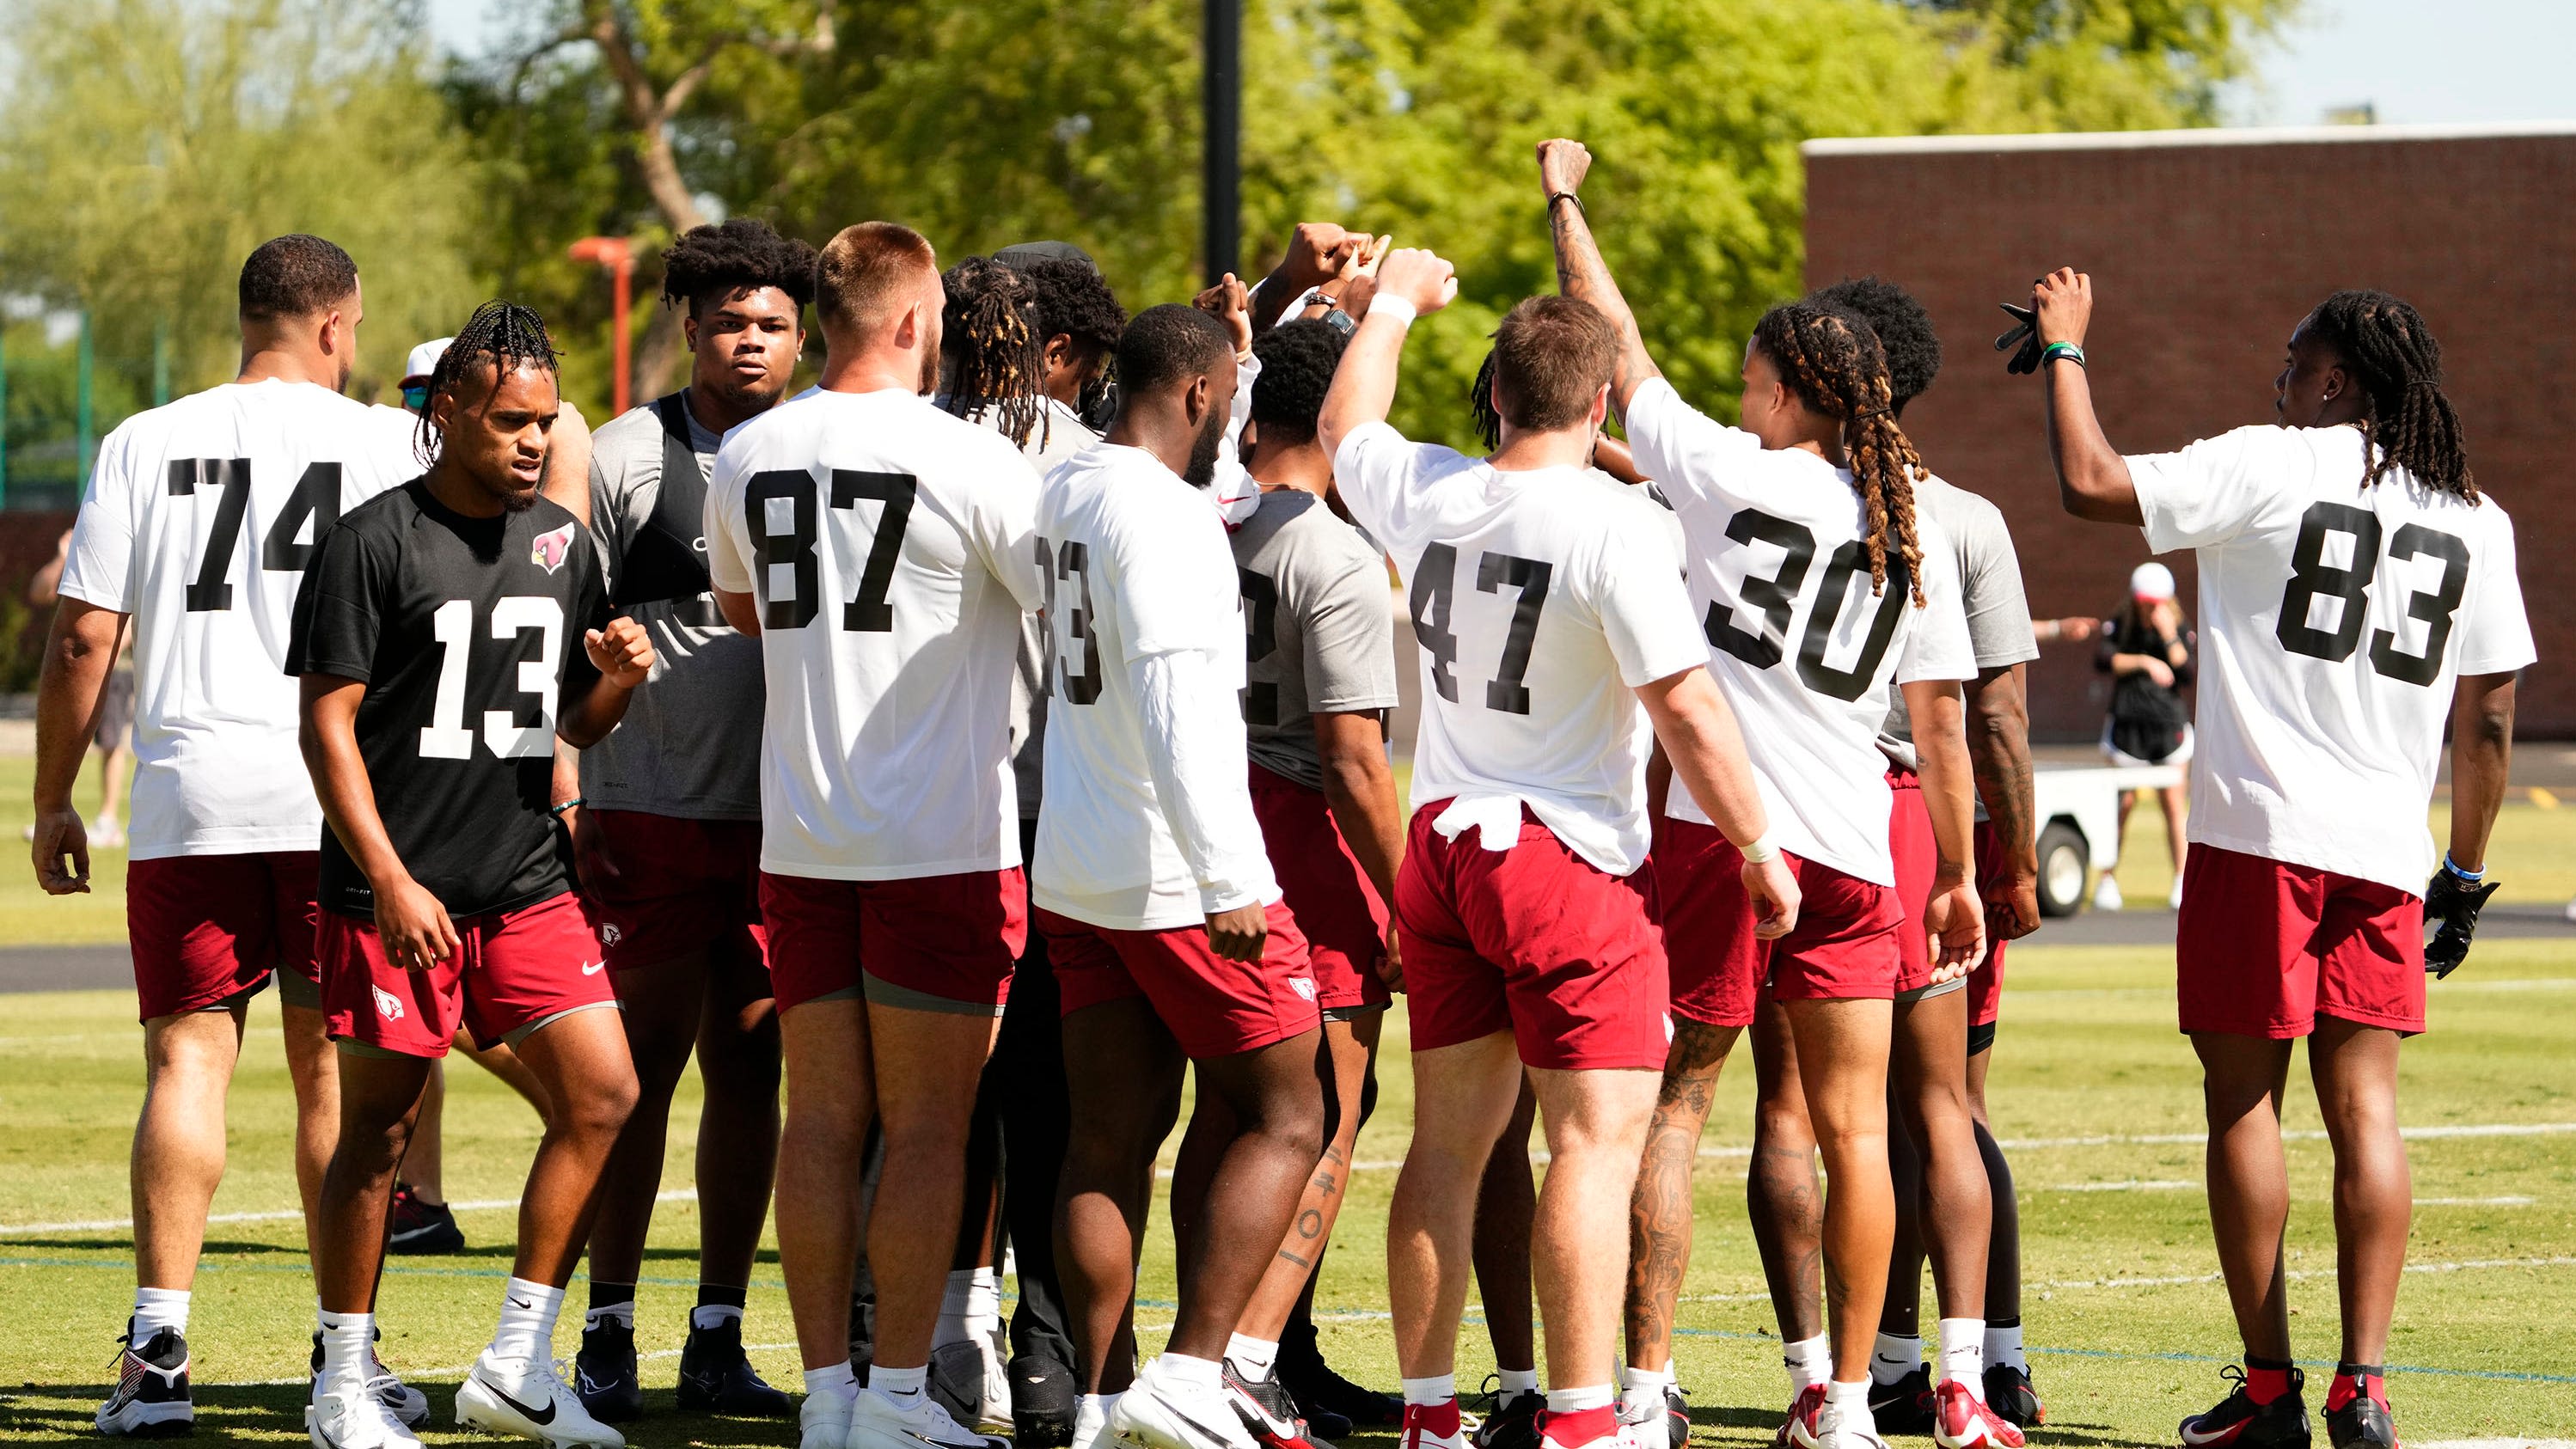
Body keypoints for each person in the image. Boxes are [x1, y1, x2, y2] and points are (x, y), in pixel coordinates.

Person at [1539, 141, 1992, 1449]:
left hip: (1723, 839)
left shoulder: (1737, 471)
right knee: (1859, 1130)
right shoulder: (1911, 518)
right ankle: (1845, 1399)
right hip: (1860, 845)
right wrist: (1955, 872)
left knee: (1675, 1102)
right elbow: (1941, 725)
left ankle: (1644, 1386)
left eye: (1751, 383)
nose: (1738, 405)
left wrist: (1567, 195)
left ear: (1794, 391)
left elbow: (1612, 339)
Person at [2030, 272, 2531, 1449]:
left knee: (2240, 1103)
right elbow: (2492, 717)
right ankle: (2364, 1386)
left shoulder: (2270, 460)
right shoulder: (2478, 515)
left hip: (2256, 835)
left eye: (2291, 367)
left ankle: (2268, 1393)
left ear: (2337, 380)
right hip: (2384, 850)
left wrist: (2064, 352)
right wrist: (2459, 868)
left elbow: (2090, 482)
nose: (2277, 385)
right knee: (2366, 1108)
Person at [1319, 231, 1798, 1449]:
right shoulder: (1612, 524)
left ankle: (1432, 1412)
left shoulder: (1430, 488)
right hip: (1565, 857)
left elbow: (1343, 430)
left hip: (1444, 844)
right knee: (1592, 1144)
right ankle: (1586, 1415)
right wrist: (1754, 842)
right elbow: (1685, 705)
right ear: (1597, 403)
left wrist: (1388, 308)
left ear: (1496, 392)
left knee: (1444, 1143)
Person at [30, 234, 434, 1440]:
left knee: (187, 1063)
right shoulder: (387, 441)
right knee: (329, 1077)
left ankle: (158, 1353)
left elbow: (80, 638)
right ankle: (341, 1360)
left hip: (190, 793)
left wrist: (55, 792)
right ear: (332, 325)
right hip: (342, 798)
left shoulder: (144, 438)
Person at [702, 220, 1043, 1449]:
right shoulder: (975, 459)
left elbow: (741, 608)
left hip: (799, 835)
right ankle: (899, 1395)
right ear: (911, 319)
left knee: (822, 1120)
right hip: (939, 837)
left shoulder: (746, 449)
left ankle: (833, 1395)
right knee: (931, 1128)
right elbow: (1060, 610)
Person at [288, 300, 648, 1449]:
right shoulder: (372, 539)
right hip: (395, 894)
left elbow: (573, 723)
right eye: (508, 421)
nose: (534, 441)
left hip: (524, 878)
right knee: (380, 1136)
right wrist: (387, 878)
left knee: (603, 1096)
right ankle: (343, 1378)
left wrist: (619, 680)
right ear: (445, 412)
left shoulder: (567, 543)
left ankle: (514, 1361)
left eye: (544, 420)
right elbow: (325, 728)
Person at [1030, 303, 1329, 1449]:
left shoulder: (1072, 485)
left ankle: (1106, 1396)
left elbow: (1195, 451)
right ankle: (1193, 1371)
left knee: (1108, 1133)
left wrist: (1240, 354)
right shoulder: (1161, 512)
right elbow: (1170, 698)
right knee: (1294, 1108)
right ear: (1198, 397)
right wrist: (1229, 876)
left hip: (1078, 860)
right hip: (1173, 869)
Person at [564, 216, 816, 1423]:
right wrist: (567, 776)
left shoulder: (824, 452)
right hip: (648, 814)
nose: (751, 339)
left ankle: (717, 1329)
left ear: (804, 332)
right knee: (636, 1076)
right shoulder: (623, 457)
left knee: (753, 1069)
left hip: (787, 820)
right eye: (729, 321)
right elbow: (559, 623)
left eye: (771, 322)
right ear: (688, 328)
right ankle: (607, 1326)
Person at [1811, 277, 2048, 1433]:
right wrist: (2005, 861)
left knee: (1830, 1121)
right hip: (1929, 820)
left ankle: (1860, 1367)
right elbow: (1991, 713)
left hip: (1812, 816)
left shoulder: (1768, 499)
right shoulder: (1961, 514)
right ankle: (1983, 1362)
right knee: (1950, 1106)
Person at [1166, 318, 1405, 1449]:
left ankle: (1200, 1351)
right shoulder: (1333, 553)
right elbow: (1354, 757)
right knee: (1326, 1114)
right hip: (1301, 832)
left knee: (1231, 1110)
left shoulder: (1188, 523)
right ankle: (1242, 1361)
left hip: (1192, 816)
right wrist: (1417, 901)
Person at [2092, 561, 2196, 912]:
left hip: (2168, 727)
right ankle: (2107, 880)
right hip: (2128, 725)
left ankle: (2182, 881)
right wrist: (2144, 662)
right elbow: (2103, 660)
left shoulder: (2178, 625)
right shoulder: (2121, 624)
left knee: (2172, 803)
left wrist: (2168, 636)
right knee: (2122, 803)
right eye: (2146, 601)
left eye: (2158, 602)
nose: (2152, 608)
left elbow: (2187, 672)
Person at [25, 530, 132, 850]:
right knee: (62, 733)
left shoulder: (117, 545)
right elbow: (39, 592)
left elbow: (127, 618)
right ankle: (55, 811)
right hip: (78, 664)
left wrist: (104, 658)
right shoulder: (82, 550)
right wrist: (62, 556)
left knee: (111, 742)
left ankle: (108, 820)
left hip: (111, 666)